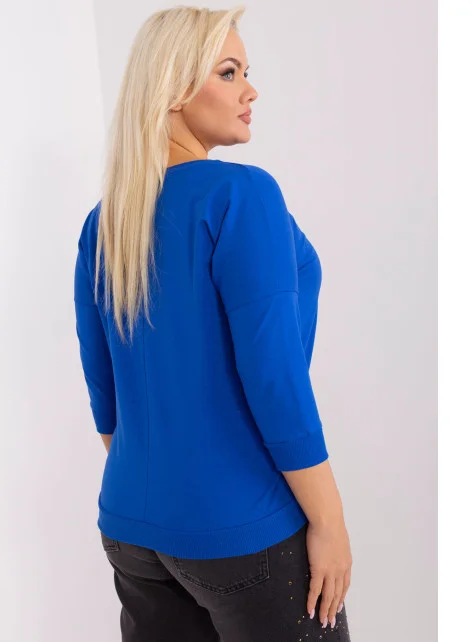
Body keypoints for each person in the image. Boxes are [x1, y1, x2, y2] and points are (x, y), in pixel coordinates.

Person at [73, 5, 353, 641]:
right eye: (229, 73)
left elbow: (104, 389)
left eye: (246, 72)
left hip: (132, 526)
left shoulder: (105, 220)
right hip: (241, 528)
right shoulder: (241, 194)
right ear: (172, 88)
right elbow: (275, 378)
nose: (250, 91)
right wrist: (329, 521)